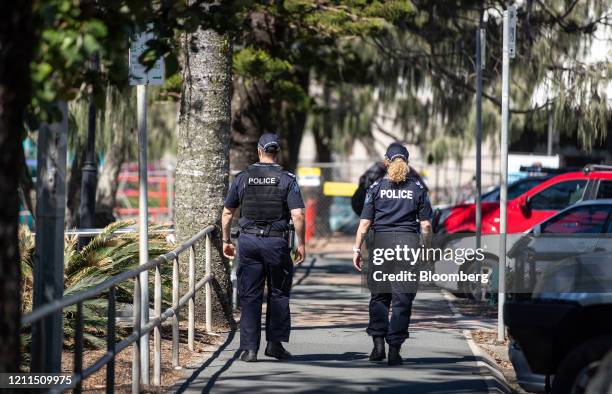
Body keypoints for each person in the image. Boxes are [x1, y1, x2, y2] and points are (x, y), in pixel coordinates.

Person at [221, 133, 306, 362]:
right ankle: (275, 345)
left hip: (248, 243)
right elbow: (297, 214)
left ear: (259, 150)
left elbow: (228, 213)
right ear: (276, 152)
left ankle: (249, 349)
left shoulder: (243, 177)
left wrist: (226, 240)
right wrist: (301, 244)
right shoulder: (287, 178)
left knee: (250, 296)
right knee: (278, 294)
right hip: (276, 243)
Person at [352, 142, 433, 366]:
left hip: (380, 245)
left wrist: (357, 249)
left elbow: (365, 223)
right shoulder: (417, 188)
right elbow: (425, 225)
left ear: (386, 162)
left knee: (379, 296)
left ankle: (378, 347)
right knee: (402, 299)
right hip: (408, 247)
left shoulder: (376, 187)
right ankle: (394, 351)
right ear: (406, 162)